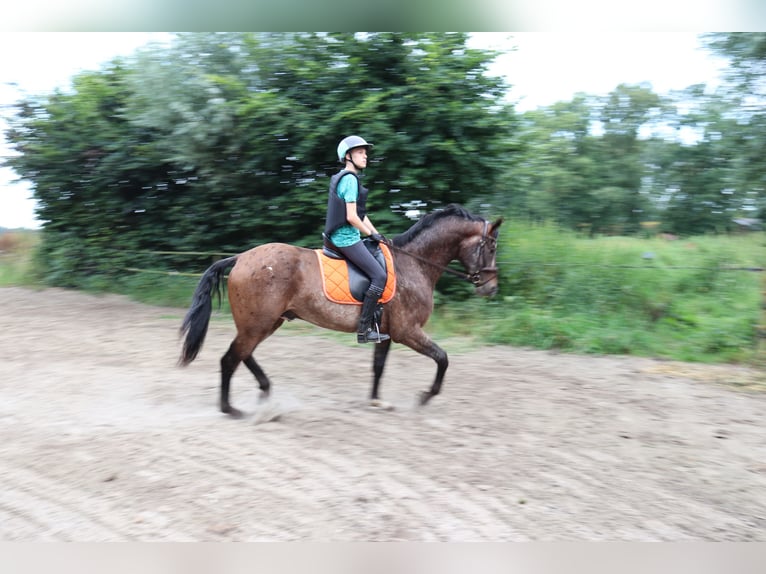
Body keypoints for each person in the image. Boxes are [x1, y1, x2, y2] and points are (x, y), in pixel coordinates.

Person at [324, 135, 390, 344]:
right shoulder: (350, 179)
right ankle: (365, 330)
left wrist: (377, 234)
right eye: (360, 152)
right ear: (348, 156)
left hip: (346, 236)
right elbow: (352, 218)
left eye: (365, 152)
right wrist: (370, 235)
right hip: (345, 239)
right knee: (379, 276)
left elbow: (360, 215)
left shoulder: (347, 178)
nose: (365, 156)